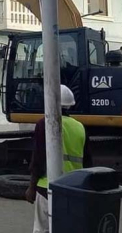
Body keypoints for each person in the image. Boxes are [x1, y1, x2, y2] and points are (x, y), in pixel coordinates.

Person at [25, 85, 91, 233]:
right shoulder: (80, 127)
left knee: (42, 229)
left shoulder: (45, 124)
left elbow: (38, 158)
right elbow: (87, 162)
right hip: (73, 188)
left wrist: (31, 186)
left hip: (46, 187)